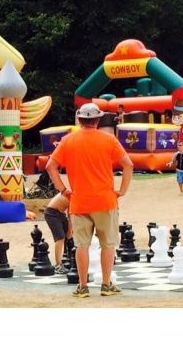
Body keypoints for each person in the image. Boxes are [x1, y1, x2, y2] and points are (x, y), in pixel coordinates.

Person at [45, 102, 134, 298]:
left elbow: (50, 166)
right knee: (108, 245)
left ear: (80, 119)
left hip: (78, 202)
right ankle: (106, 285)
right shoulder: (108, 139)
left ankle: (83, 286)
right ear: (98, 120)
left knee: (82, 246)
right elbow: (128, 164)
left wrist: (63, 190)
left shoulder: (68, 140)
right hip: (106, 201)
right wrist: (122, 190)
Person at [44, 192, 73, 274]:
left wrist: (70, 231)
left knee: (70, 236)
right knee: (60, 238)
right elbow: (71, 214)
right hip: (51, 213)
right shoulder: (74, 193)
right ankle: (58, 265)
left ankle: (70, 259)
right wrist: (69, 230)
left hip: (60, 213)